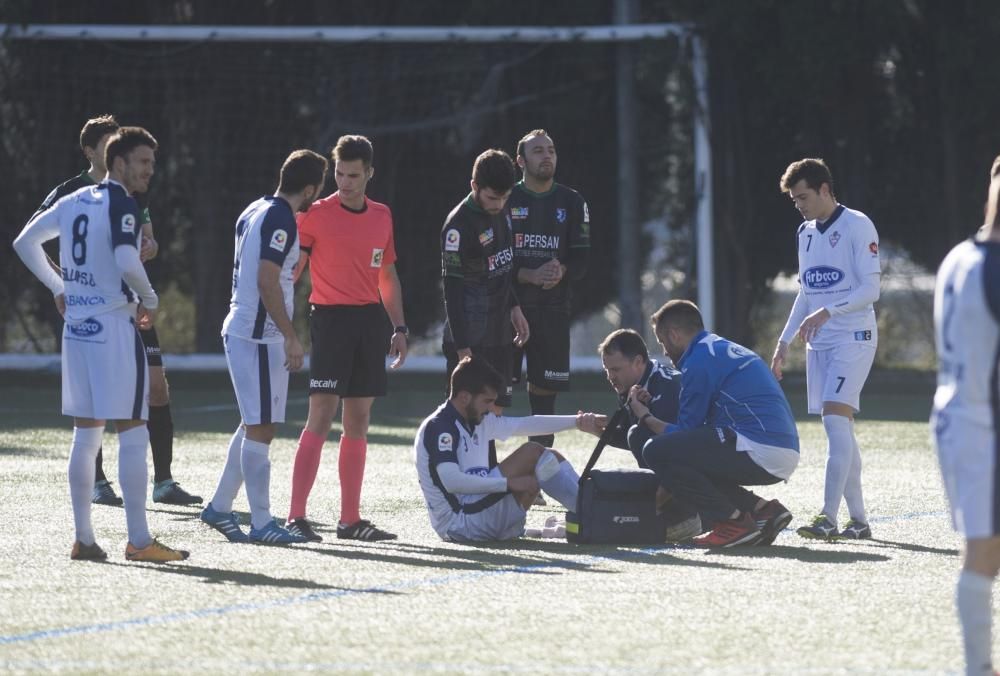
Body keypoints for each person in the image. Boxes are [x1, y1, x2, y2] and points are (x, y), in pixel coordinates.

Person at [13, 126, 189, 562]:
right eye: (144, 161)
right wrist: (149, 299)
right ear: (119, 163)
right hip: (113, 325)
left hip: (77, 330)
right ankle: (140, 541)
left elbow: (24, 242)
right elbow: (128, 261)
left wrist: (61, 286)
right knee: (132, 428)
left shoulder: (72, 201)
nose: (151, 169)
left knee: (86, 433)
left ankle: (85, 539)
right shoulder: (121, 203)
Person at [200, 149, 327, 545]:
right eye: (318, 188)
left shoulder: (255, 208)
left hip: (255, 334)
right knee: (261, 427)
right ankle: (261, 522)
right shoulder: (281, 218)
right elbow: (267, 280)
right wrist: (291, 334)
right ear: (309, 188)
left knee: (255, 423)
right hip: (257, 336)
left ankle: (220, 508)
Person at [284, 135, 408, 543]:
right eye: (339, 173)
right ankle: (295, 517)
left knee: (358, 420)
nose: (345, 182)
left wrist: (399, 327)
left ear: (370, 173)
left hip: (369, 324)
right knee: (320, 415)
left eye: (354, 175)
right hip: (330, 323)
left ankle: (349, 521)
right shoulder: (314, 214)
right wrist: (278, 319)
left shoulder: (382, 216)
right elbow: (294, 269)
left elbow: (386, 275)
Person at [771, 158, 881, 541]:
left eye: (803, 196)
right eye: (793, 200)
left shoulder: (857, 225)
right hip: (821, 344)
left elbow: (871, 290)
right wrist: (783, 342)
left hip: (854, 337)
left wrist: (829, 310)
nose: (799, 205)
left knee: (836, 422)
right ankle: (860, 521)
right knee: (840, 430)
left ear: (824, 190)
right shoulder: (804, 233)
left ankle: (828, 518)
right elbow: (806, 291)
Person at [642, 300, 798, 548]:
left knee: (656, 450)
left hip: (758, 447)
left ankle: (731, 522)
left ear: (674, 335)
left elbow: (686, 431)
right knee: (691, 455)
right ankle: (764, 510)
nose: (664, 351)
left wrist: (645, 417)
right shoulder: (720, 348)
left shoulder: (698, 362)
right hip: (780, 449)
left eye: (662, 342)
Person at [931, 155, 1000, 676]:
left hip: (954, 417)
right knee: (982, 553)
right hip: (986, 426)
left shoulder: (958, 256)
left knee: (983, 549)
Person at [414, 355, 594, 542]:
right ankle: (593, 514)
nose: (492, 408)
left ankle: (591, 504)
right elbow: (451, 481)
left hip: (479, 512)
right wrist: (508, 483)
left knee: (551, 457)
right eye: (487, 401)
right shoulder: (440, 426)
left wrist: (578, 422)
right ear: (465, 397)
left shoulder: (477, 419)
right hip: (459, 523)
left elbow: (527, 424)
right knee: (532, 452)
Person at [441, 148, 529, 466]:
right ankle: (462, 481)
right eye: (492, 198)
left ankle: (488, 478)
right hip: (470, 339)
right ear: (474, 185)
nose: (498, 205)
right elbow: (451, 291)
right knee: (469, 415)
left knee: (495, 411)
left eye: (503, 198)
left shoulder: (502, 210)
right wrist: (463, 348)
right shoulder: (457, 227)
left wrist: (515, 308)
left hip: (499, 333)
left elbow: (504, 266)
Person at [508, 129, 590, 447]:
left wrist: (562, 269)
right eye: (538, 150)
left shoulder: (572, 201)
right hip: (508, 309)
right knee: (494, 393)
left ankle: (537, 475)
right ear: (521, 161)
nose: (547, 156)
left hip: (553, 311)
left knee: (544, 397)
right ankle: (484, 470)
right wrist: (528, 274)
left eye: (551, 150)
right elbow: (489, 260)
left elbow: (582, 259)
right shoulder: (505, 198)